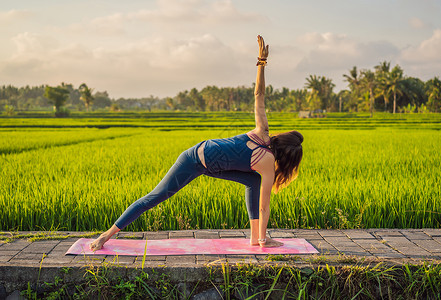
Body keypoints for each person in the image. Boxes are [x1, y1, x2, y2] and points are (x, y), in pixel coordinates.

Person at [89, 35, 303, 251]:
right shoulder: (267, 159)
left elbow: (259, 94)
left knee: (252, 182)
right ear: (289, 159)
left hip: (209, 162)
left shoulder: (263, 133)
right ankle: (105, 236)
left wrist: (261, 63)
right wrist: (268, 241)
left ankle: (256, 238)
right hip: (193, 159)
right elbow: (264, 206)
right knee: (156, 197)